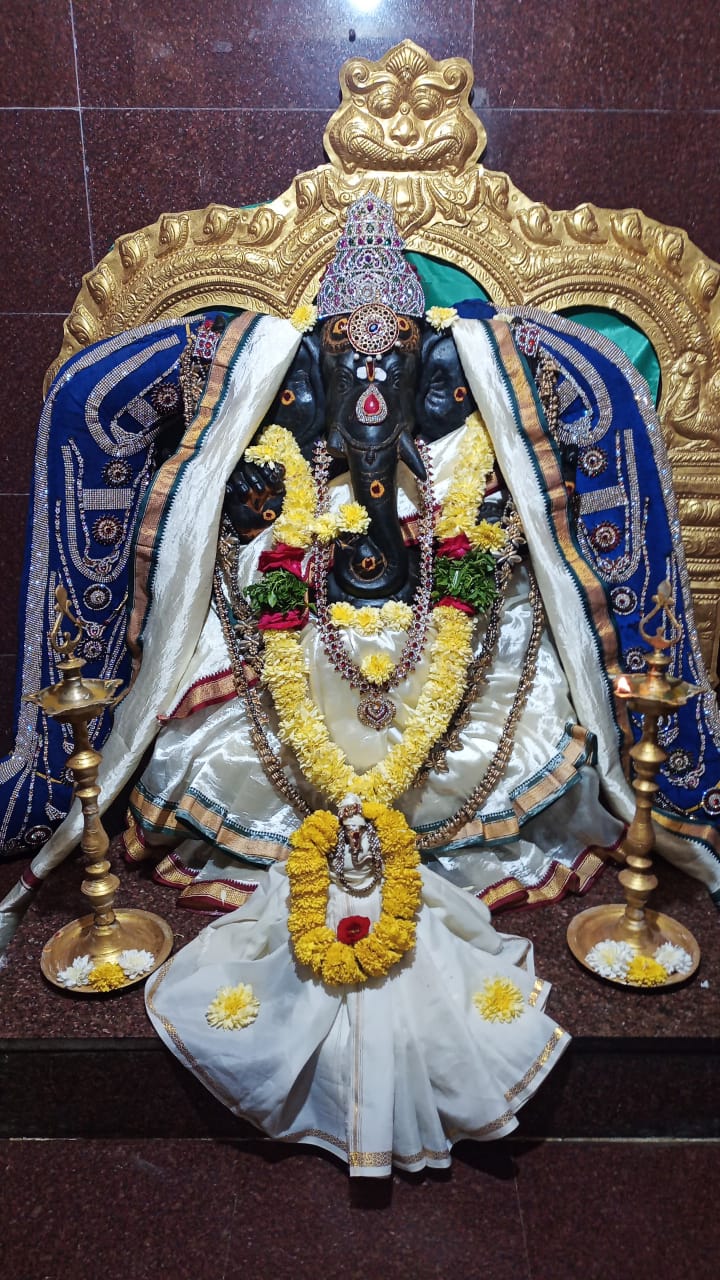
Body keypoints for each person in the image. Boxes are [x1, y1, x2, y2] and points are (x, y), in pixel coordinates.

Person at [0, 195, 718, 1169]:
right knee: (250, 637)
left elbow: (512, 535)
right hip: (301, 615)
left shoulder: (465, 424)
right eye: (350, 360)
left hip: (443, 617)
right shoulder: (279, 414)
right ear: (312, 368)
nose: (371, 388)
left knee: (492, 637)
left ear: (431, 372)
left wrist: (473, 533)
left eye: (393, 362)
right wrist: (262, 526)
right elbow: (218, 536)